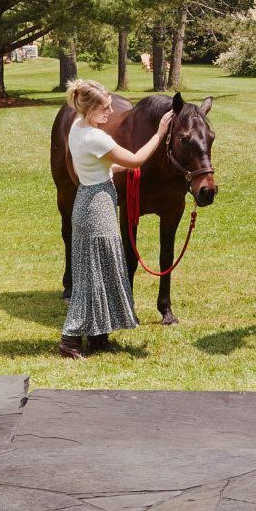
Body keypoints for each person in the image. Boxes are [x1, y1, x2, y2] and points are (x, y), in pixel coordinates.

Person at [60, 80, 173, 361]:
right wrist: (159, 134)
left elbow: (105, 163)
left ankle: (99, 336)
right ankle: (70, 339)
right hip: (97, 207)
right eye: (105, 108)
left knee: (98, 270)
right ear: (90, 109)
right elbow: (135, 160)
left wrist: (119, 166)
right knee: (93, 275)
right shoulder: (97, 137)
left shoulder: (78, 128)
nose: (110, 112)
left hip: (89, 200)